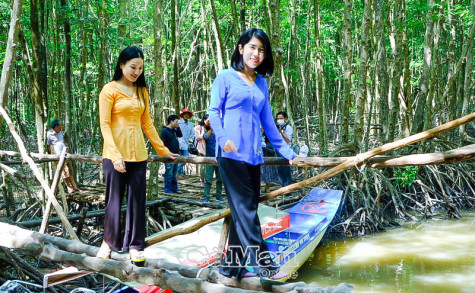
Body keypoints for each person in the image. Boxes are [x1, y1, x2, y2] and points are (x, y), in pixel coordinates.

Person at [208, 28, 296, 280]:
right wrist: (223, 138)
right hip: (230, 156)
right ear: (241, 48)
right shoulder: (225, 77)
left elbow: (268, 122)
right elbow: (213, 112)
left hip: (253, 157)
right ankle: (266, 266)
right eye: (252, 47)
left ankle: (231, 268)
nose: (256, 54)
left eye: (261, 50)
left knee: (241, 215)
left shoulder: (261, 83)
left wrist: (288, 152)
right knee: (247, 211)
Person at [97, 46, 178, 264]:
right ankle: (108, 242)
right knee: (113, 201)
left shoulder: (142, 91)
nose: (136, 72)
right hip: (114, 155)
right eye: (133, 67)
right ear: (121, 65)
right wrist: (115, 156)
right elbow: (104, 125)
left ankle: (135, 245)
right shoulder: (109, 90)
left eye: (140, 68)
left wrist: (162, 149)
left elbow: (147, 123)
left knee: (137, 201)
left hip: (138, 155)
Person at [46, 119, 80, 194]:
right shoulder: (49, 134)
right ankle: (69, 188)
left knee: (70, 171)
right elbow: (48, 146)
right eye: (60, 125)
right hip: (58, 157)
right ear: (56, 126)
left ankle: (75, 187)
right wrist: (52, 157)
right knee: (65, 172)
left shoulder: (60, 132)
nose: (61, 126)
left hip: (65, 154)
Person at [202, 115, 224, 203]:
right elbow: (205, 137)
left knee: (220, 179)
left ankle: (218, 195)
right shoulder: (207, 133)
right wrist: (211, 130)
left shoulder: (221, 134)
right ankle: (206, 197)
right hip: (210, 160)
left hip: (219, 160)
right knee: (208, 179)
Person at [161, 115, 183, 194]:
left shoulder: (174, 130)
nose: (177, 123)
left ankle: (175, 188)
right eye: (176, 121)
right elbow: (162, 143)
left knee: (174, 173)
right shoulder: (164, 130)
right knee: (169, 173)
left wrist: (178, 127)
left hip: (176, 154)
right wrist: (166, 153)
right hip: (169, 155)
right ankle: (168, 189)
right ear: (171, 121)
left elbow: (180, 135)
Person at [275, 111, 293, 195]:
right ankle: (281, 191)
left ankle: (288, 193)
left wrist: (281, 132)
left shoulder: (289, 128)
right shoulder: (276, 128)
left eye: (281, 118)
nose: (279, 120)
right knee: (280, 172)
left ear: (285, 119)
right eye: (278, 119)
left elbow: (288, 140)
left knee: (286, 172)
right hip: (278, 151)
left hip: (286, 151)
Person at [177, 108, 195, 176]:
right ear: (183, 115)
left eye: (187, 114)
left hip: (186, 144)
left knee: (186, 159)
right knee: (179, 159)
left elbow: (193, 134)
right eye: (185, 114)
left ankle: (177, 171)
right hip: (178, 143)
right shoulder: (178, 122)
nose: (186, 115)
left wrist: (195, 143)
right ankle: (179, 174)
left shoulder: (190, 124)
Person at [194, 115, 207, 186]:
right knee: (203, 166)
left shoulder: (210, 128)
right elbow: (197, 137)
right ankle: (202, 180)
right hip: (201, 148)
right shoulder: (198, 127)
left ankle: (206, 179)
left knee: (208, 165)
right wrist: (205, 135)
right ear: (204, 120)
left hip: (209, 148)